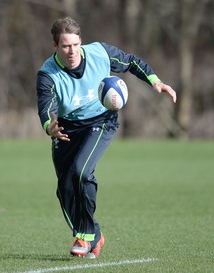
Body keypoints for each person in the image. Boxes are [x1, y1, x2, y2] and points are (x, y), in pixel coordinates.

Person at [36, 16, 177, 258]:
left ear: (82, 42)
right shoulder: (47, 73)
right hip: (66, 128)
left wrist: (155, 81)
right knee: (65, 187)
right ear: (55, 46)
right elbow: (45, 104)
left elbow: (131, 62)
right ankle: (95, 234)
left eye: (76, 45)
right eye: (66, 46)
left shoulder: (100, 53)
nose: (72, 52)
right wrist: (50, 125)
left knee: (81, 172)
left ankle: (83, 235)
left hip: (101, 122)